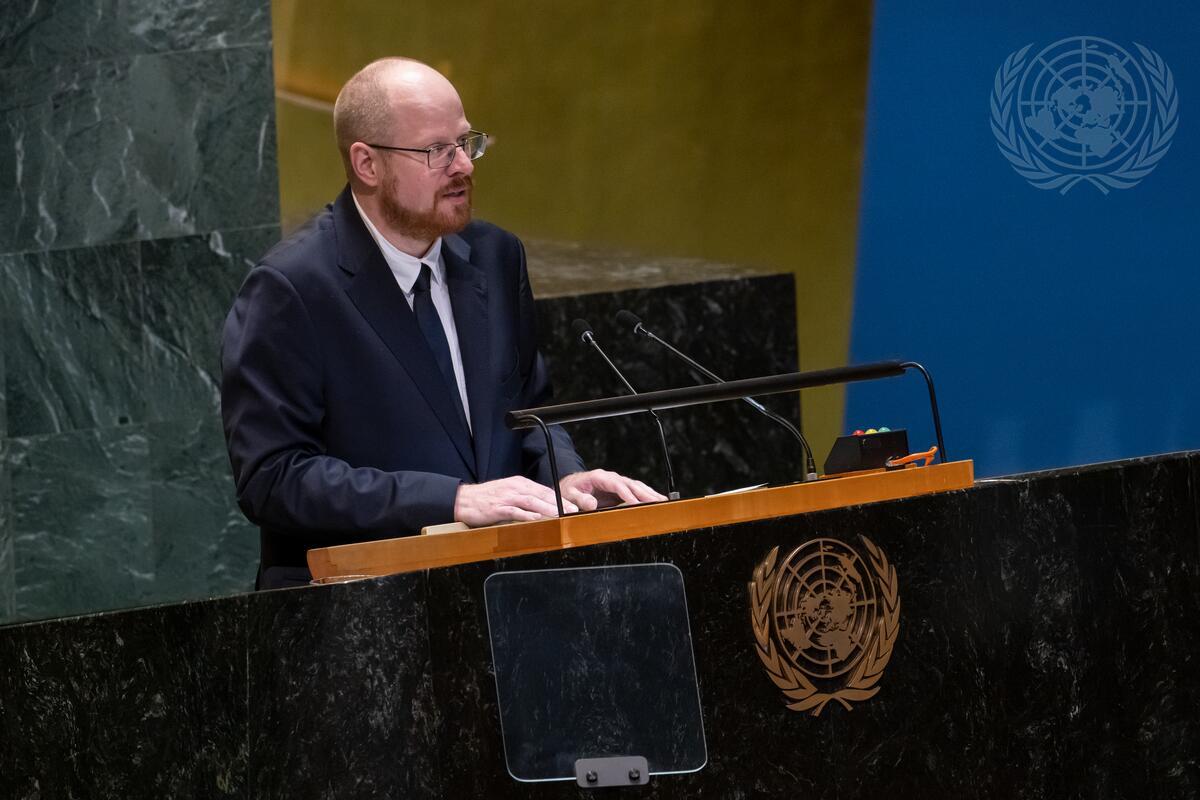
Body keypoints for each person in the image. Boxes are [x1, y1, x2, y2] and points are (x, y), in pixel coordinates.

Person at [221, 58, 664, 589]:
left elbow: (528, 414)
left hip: (504, 591)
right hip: (360, 608)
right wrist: (450, 500)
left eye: (466, 142)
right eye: (437, 150)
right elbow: (272, 478)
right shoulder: (292, 287)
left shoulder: (496, 258)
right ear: (367, 164)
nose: (464, 166)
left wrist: (563, 477)